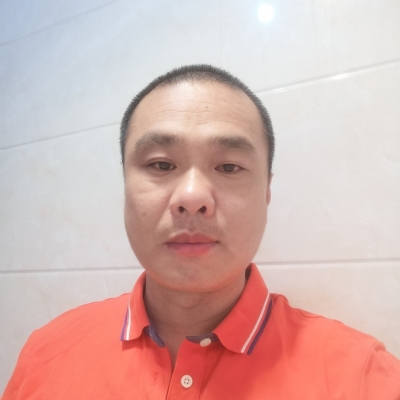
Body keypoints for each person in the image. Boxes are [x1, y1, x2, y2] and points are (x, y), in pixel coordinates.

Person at [3, 65, 400, 399]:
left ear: (266, 192)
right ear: (124, 185)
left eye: (228, 167)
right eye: (161, 165)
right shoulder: (46, 353)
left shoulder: (364, 378)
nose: (192, 197)